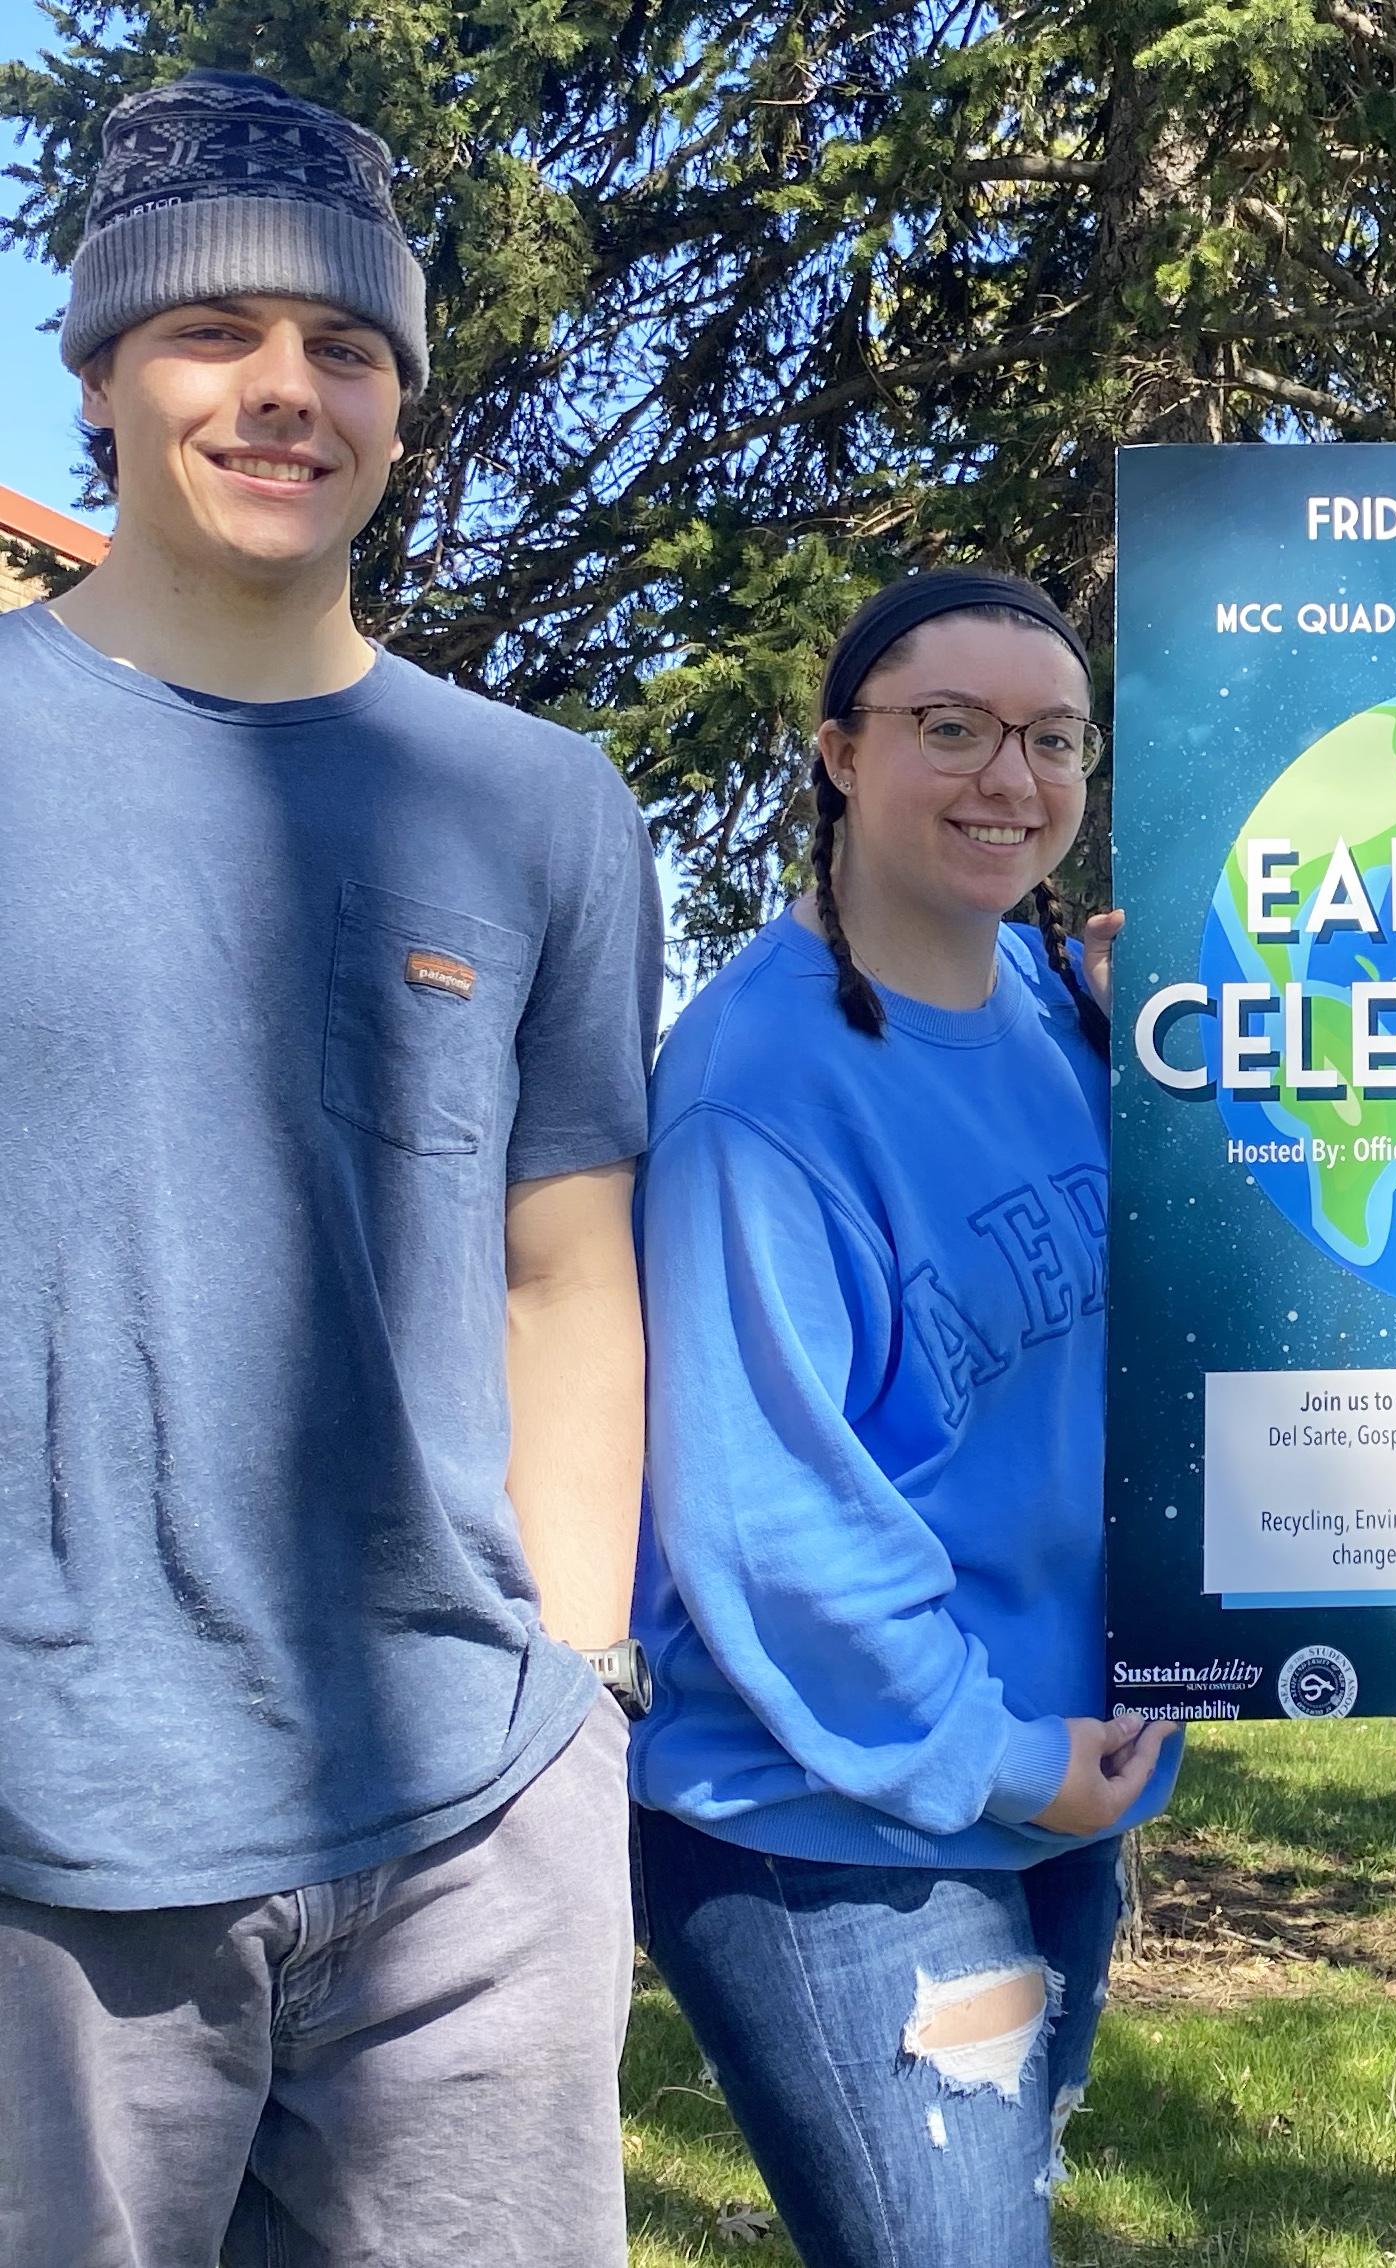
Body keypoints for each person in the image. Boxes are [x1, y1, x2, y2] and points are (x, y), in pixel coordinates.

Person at [0, 70, 662, 2267]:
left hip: (471, 1837)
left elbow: (565, 1271)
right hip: (46, 1836)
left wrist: (581, 1691)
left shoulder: (545, 802)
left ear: (400, 406)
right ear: (100, 373)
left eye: (349, 347)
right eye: (215, 335)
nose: (287, 391)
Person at [630, 567, 1178, 2267]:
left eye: (1053, 739)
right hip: (840, 1819)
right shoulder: (757, 1089)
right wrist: (1000, 1759)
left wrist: (1173, 1037)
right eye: (950, 729)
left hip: (1059, 1776)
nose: (1009, 780)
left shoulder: (1053, 1013)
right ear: (838, 756)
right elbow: (767, 1510)